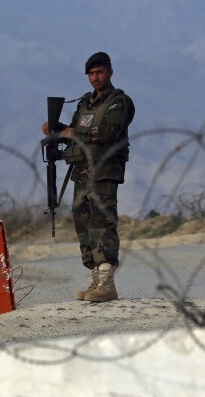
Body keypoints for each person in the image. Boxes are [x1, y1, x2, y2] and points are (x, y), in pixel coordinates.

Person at [42, 51, 135, 302]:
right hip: (82, 173)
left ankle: (107, 283)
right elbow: (76, 132)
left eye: (100, 73)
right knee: (83, 223)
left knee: (102, 222)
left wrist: (72, 131)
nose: (95, 78)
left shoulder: (119, 102)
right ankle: (96, 277)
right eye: (91, 74)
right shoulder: (85, 104)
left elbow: (108, 131)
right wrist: (57, 129)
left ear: (110, 72)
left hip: (104, 172)